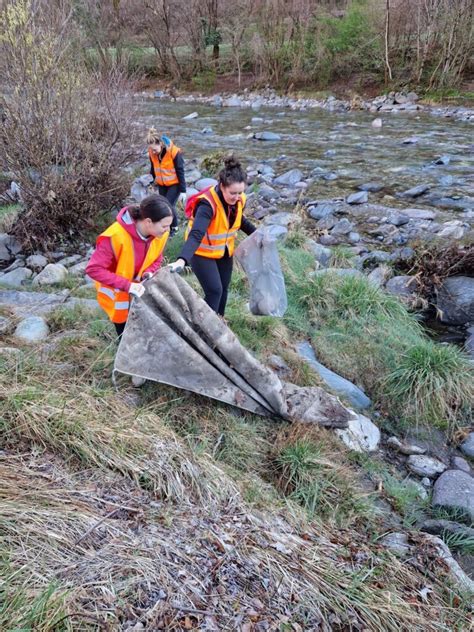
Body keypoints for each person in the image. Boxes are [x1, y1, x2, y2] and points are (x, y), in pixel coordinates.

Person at [169, 156, 256, 317]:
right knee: (214, 291)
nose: (237, 197)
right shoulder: (207, 204)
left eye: (240, 192)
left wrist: (258, 235)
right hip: (201, 252)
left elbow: (239, 220)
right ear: (222, 186)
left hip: (223, 251)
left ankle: (218, 323)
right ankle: (203, 329)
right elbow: (196, 234)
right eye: (233, 193)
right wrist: (182, 259)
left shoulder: (239, 199)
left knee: (223, 290)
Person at [86, 194, 173, 338]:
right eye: (164, 226)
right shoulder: (115, 236)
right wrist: (128, 285)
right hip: (118, 297)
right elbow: (93, 269)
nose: (167, 230)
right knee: (126, 338)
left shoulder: (160, 235)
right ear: (148, 222)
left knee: (147, 336)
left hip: (140, 295)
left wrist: (149, 272)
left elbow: (157, 258)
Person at [147, 128, 186, 234]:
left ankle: (175, 229)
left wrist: (183, 191)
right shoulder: (152, 152)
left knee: (168, 205)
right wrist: (150, 181)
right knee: (164, 205)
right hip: (162, 184)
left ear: (161, 144)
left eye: (155, 149)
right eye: (151, 150)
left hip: (175, 184)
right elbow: (153, 168)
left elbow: (180, 171)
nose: (153, 152)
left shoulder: (174, 152)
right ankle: (168, 228)